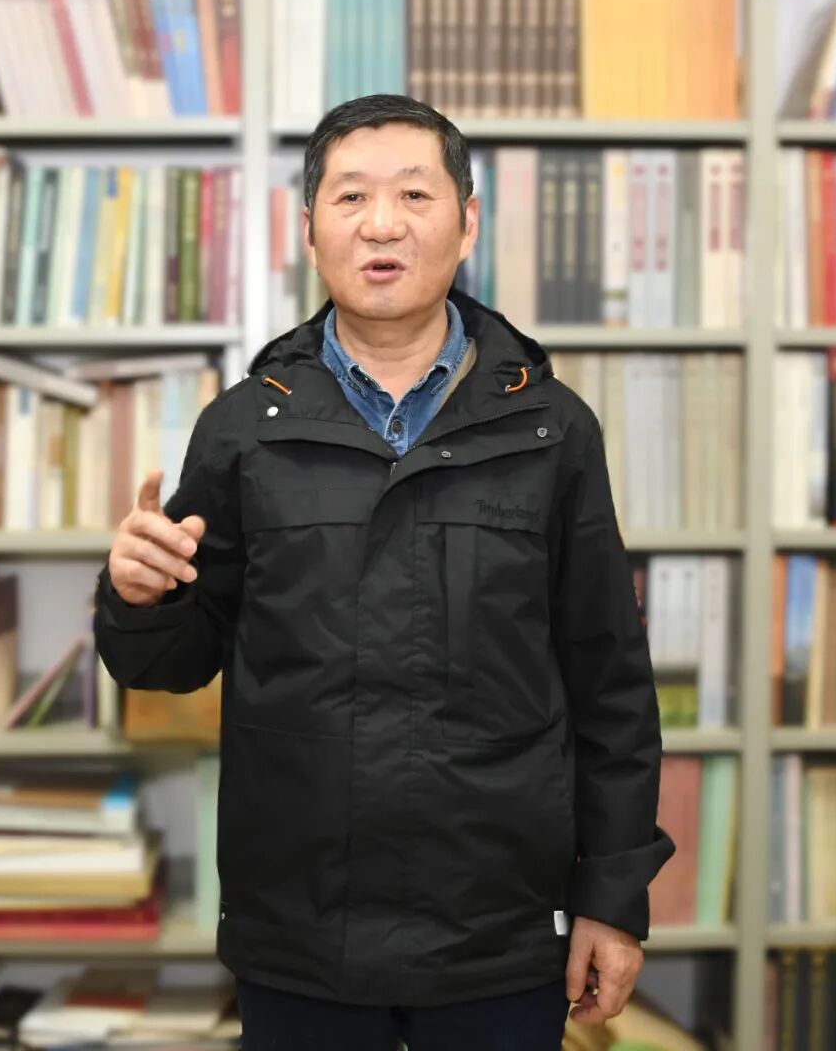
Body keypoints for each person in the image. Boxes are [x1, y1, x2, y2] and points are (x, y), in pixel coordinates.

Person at [93, 93, 675, 1051]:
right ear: (309, 229)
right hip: (299, 930)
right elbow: (170, 663)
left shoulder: (552, 429)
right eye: (351, 195)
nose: (382, 223)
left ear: (467, 222)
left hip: (500, 931)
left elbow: (609, 682)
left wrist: (611, 898)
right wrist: (136, 594)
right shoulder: (244, 428)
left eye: (414, 193)